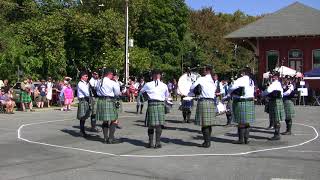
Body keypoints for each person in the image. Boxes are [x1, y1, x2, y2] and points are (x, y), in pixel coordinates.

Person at [140, 70, 169, 149]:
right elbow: (167, 96)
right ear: (160, 75)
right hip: (160, 105)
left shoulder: (148, 84)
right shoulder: (164, 85)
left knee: (151, 125)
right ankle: (158, 143)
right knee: (159, 125)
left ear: (152, 76)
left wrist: (147, 98)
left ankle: (151, 143)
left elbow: (141, 92)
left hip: (151, 104)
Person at [189, 65, 216, 148]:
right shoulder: (213, 80)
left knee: (204, 124)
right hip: (211, 102)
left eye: (204, 70)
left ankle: (206, 143)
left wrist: (195, 89)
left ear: (207, 71)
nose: (202, 71)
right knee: (209, 124)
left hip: (203, 102)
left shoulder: (201, 79)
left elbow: (192, 87)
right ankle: (208, 141)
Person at [227, 67, 255, 144]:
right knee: (247, 122)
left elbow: (231, 88)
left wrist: (231, 91)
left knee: (241, 121)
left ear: (243, 72)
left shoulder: (241, 79)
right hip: (249, 101)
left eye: (241, 72)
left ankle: (241, 139)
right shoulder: (251, 81)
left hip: (241, 101)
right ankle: (246, 139)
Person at [96, 69, 121, 144]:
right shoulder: (112, 82)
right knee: (114, 120)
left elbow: (96, 91)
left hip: (100, 101)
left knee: (105, 120)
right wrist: (116, 81)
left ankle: (105, 138)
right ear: (110, 74)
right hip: (109, 100)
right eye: (113, 75)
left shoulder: (98, 81)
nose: (113, 76)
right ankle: (111, 138)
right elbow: (117, 93)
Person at [262, 72, 285, 141]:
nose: (272, 77)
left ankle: (277, 134)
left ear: (276, 77)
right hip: (278, 100)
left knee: (276, 118)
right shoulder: (278, 83)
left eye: (273, 76)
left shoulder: (274, 83)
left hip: (275, 101)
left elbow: (268, 91)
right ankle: (276, 134)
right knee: (276, 118)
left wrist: (263, 93)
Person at [76, 71, 91, 138]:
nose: (87, 77)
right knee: (82, 117)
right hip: (83, 101)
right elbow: (87, 93)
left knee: (84, 117)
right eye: (86, 76)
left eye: (87, 76)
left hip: (86, 101)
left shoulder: (86, 83)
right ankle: (82, 131)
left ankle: (82, 131)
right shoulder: (80, 83)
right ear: (82, 77)